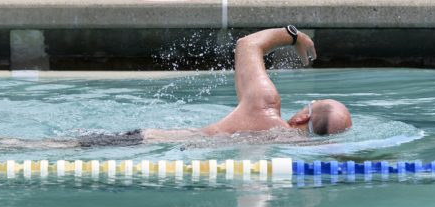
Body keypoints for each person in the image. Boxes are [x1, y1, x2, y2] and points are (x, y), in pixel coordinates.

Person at [82, 26, 353, 147]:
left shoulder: (265, 108)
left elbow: (247, 44)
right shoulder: (290, 151)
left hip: (140, 142)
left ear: (303, 116)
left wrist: (294, 36)